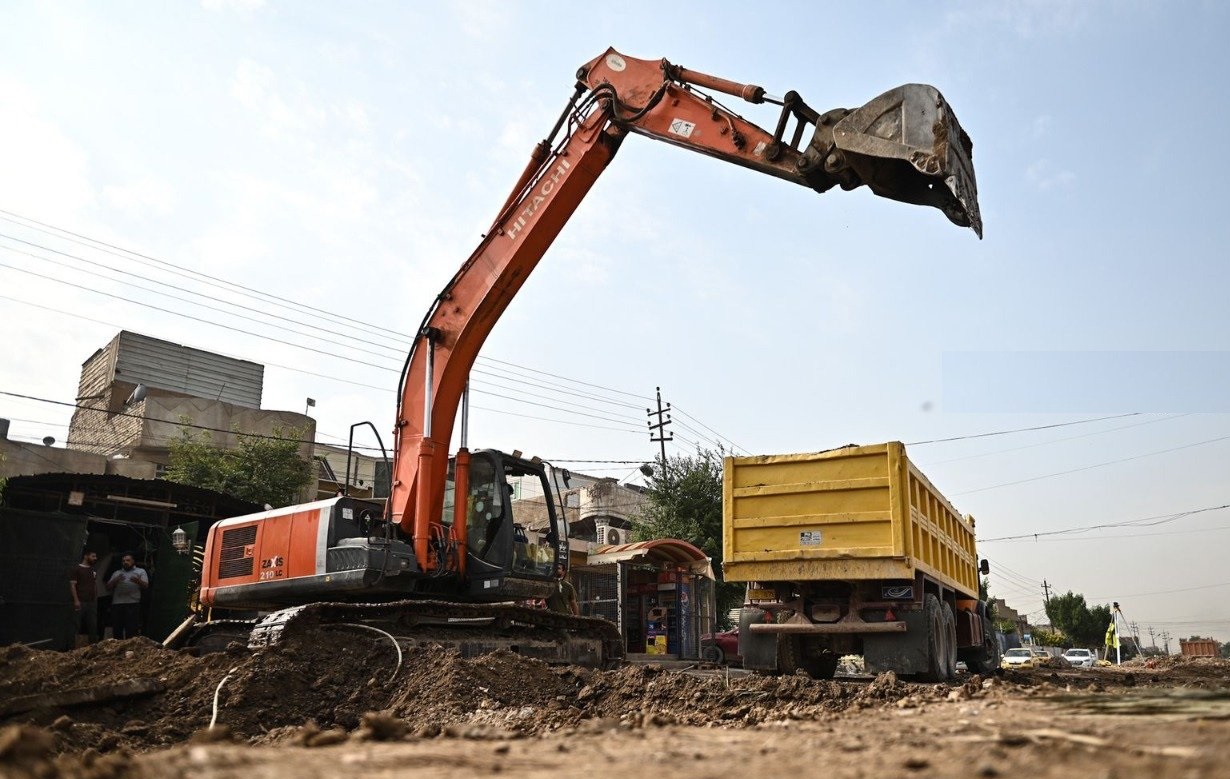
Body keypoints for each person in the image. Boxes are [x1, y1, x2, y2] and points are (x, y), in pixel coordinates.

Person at [105, 554, 149, 639]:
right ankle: (118, 649)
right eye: (124, 561)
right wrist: (115, 580)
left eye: (128, 560)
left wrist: (138, 580)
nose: (125, 562)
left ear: (133, 561)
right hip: (117, 604)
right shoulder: (117, 573)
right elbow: (108, 587)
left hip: (133, 604)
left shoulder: (140, 571)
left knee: (132, 630)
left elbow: (146, 586)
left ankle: (130, 650)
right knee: (117, 629)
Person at [68, 551, 100, 646]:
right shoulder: (76, 569)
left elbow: (94, 585)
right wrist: (76, 600)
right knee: (76, 624)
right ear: (86, 556)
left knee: (92, 625)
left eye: (95, 556)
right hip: (80, 601)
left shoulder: (93, 570)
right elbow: (73, 586)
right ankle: (72, 647)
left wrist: (95, 598)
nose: (95, 558)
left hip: (91, 602)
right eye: (93, 556)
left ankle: (93, 647)